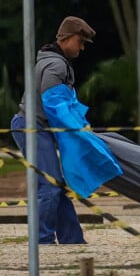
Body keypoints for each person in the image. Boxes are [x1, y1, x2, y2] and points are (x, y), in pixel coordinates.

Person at [10, 16, 96, 245]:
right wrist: (77, 130)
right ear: (66, 39)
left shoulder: (52, 61)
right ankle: (42, 242)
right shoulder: (56, 65)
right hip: (32, 127)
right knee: (49, 186)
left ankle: (72, 239)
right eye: (80, 41)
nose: (82, 47)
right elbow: (54, 104)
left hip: (34, 126)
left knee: (55, 184)